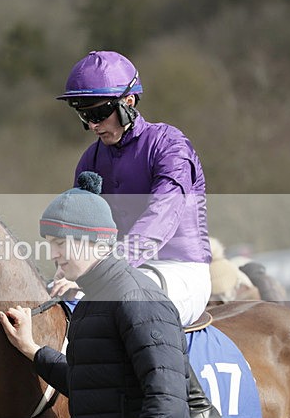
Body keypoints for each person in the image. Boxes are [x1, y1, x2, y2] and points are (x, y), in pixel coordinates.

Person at [0, 172, 204, 418]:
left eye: (58, 242)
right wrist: (31, 349)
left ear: (89, 239)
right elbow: (89, 383)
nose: (53, 254)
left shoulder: (137, 297)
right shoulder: (92, 302)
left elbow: (166, 399)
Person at [54, 50, 211, 327]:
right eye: (84, 115)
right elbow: (79, 231)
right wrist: (65, 269)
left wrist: (105, 270)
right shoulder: (89, 160)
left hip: (181, 270)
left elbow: (162, 215)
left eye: (100, 112)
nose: (93, 124)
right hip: (113, 272)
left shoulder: (170, 145)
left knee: (125, 307)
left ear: (128, 101)